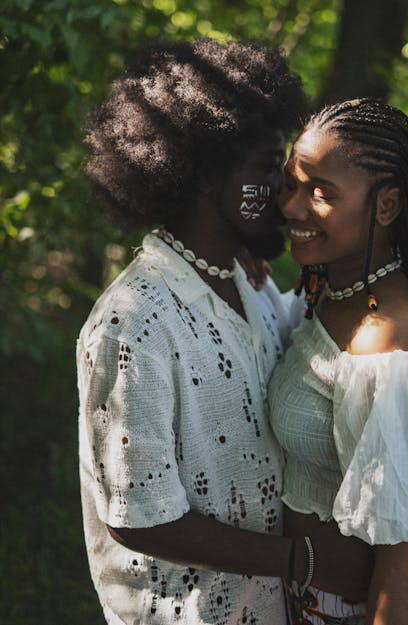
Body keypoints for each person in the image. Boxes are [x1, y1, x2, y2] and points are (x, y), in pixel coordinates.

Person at [77, 40, 373, 625]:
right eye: (268, 168)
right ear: (208, 174)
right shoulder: (132, 321)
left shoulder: (251, 283)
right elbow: (140, 516)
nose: (286, 191)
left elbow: (318, 347)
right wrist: (304, 560)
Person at [268, 98, 408, 625]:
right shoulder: (334, 291)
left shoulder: (389, 345)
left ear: (386, 207)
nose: (294, 207)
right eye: (293, 184)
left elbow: (402, 560)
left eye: (322, 193)